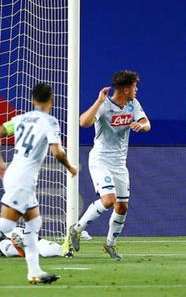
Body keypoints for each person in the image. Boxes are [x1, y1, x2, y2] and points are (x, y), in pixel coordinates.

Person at [0, 83, 77, 284]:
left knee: (34, 222)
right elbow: (57, 152)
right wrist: (71, 168)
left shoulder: (20, 119)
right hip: (23, 179)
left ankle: (34, 271)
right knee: (5, 224)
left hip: (14, 173)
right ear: (52, 100)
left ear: (32, 100)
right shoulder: (50, 121)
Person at [64, 70, 150, 260]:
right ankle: (76, 229)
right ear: (126, 89)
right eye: (135, 87)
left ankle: (110, 244)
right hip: (101, 159)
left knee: (122, 207)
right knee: (109, 200)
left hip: (120, 164)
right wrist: (98, 102)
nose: (137, 90)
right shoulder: (104, 106)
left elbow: (146, 123)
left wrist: (141, 126)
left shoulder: (132, 104)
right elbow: (83, 122)